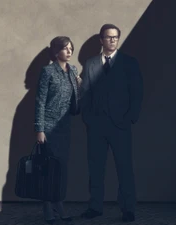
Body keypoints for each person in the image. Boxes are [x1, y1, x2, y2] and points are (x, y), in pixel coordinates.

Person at [79, 24, 143, 222]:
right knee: (96, 168)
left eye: (115, 37)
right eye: (108, 37)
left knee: (124, 168)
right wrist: (88, 118)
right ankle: (95, 206)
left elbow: (137, 92)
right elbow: (85, 93)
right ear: (101, 40)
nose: (112, 40)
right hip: (96, 125)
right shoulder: (90, 64)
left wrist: (130, 117)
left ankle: (128, 209)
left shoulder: (129, 63)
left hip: (120, 124)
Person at [34, 36, 81, 224]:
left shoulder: (73, 71)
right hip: (49, 127)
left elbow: (75, 106)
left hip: (65, 127)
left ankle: (59, 203)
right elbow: (40, 101)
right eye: (65, 48)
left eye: (71, 48)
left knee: (61, 169)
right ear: (56, 51)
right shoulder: (47, 72)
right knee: (48, 169)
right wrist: (39, 129)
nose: (69, 52)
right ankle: (48, 206)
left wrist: (79, 86)